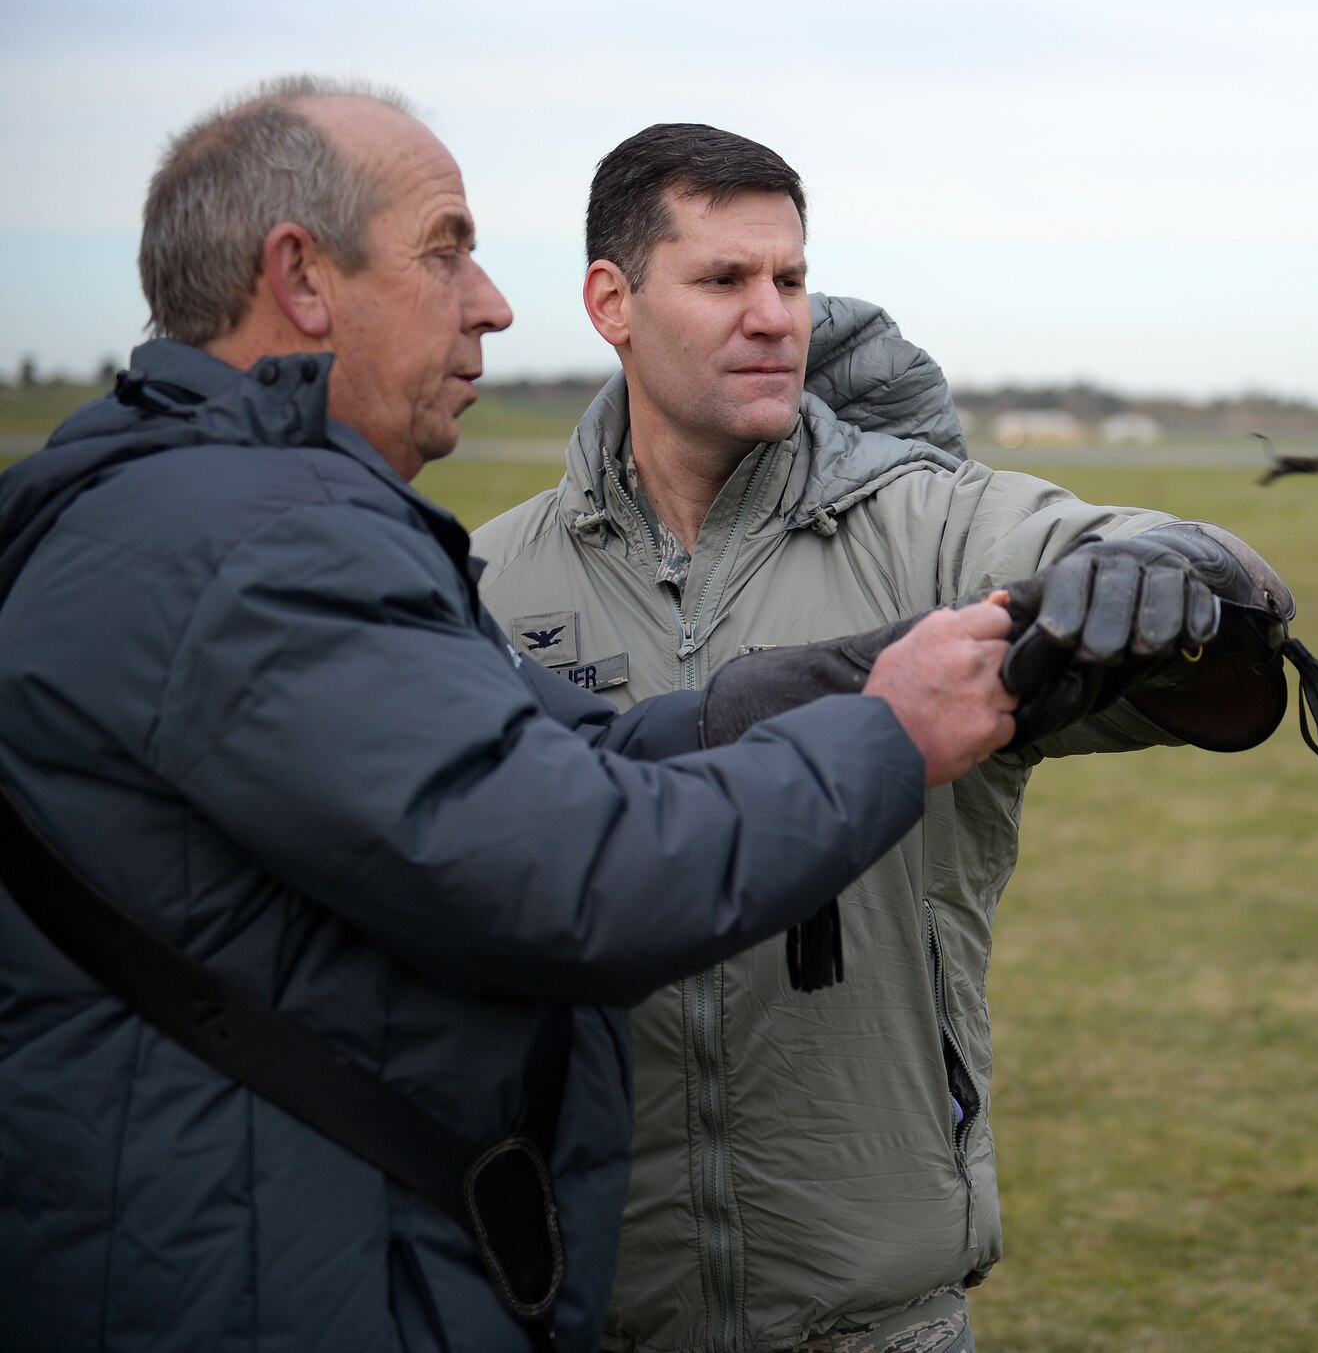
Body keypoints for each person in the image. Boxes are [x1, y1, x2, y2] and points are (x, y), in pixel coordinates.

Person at [0, 81, 1023, 1353]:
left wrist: (827, 673)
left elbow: (548, 759)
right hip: (256, 1274)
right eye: (446, 252)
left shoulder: (190, 510)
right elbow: (578, 870)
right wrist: (890, 733)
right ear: (302, 279)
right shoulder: (259, 551)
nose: (489, 301)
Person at [471, 123, 1318, 1353]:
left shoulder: (930, 525)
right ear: (609, 302)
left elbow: (1154, 562)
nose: (775, 313)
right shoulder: (489, 578)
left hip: (874, 1309)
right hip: (582, 1306)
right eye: (724, 280)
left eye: (788, 276)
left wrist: (1180, 559)